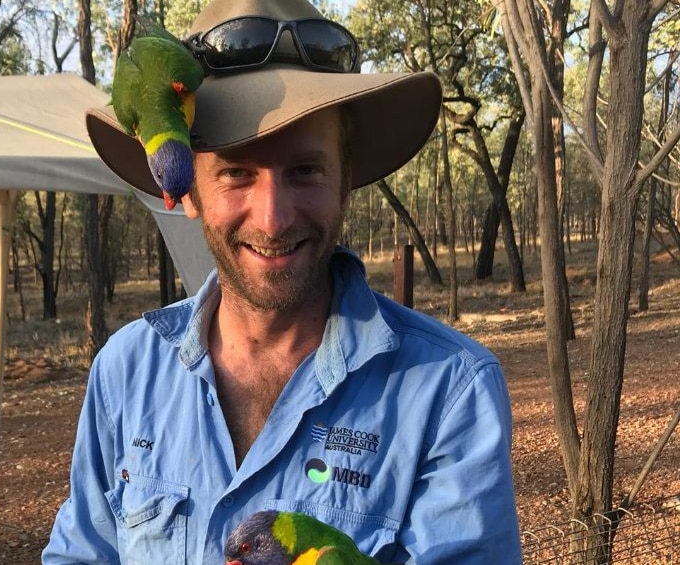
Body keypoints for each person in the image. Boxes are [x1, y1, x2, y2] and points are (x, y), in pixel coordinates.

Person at [43, 0, 522, 563]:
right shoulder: (125, 374)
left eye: (304, 171)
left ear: (347, 183)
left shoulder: (447, 394)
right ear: (191, 195)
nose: (273, 218)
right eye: (236, 173)